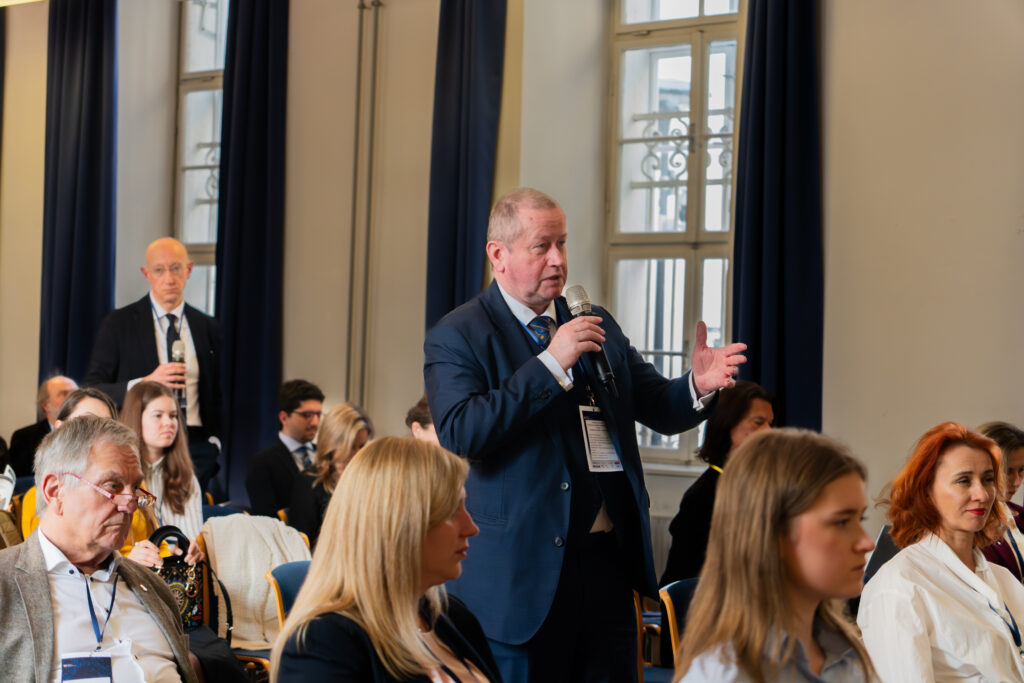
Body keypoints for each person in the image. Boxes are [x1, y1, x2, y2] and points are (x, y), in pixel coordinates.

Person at [423, 188, 747, 681]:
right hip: (521, 578)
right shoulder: (459, 334)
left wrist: (697, 386)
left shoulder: (591, 321)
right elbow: (463, 433)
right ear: (498, 255)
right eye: (542, 246)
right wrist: (551, 363)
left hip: (606, 564)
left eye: (563, 243)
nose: (558, 259)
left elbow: (656, 405)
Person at [272, 436, 500, 682]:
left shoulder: (452, 616)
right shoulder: (323, 644)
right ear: (399, 525)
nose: (472, 528)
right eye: (452, 510)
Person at [0, 415, 200, 681]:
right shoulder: (6, 584)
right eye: (113, 486)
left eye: (135, 488)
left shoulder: (155, 588)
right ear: (55, 491)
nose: (130, 504)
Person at [676, 429, 876, 682]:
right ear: (774, 534)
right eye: (841, 522)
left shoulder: (847, 654)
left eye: (860, 519)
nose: (867, 543)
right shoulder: (729, 676)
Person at [858, 421, 1024, 681]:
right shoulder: (899, 585)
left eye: (988, 479)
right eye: (963, 481)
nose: (982, 494)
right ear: (926, 491)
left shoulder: (1001, 578)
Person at [84, 237, 222, 492]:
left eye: (176, 268)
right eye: (159, 270)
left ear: (189, 269)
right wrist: (144, 383)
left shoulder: (208, 327)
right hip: (139, 444)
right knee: (145, 510)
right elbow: (93, 388)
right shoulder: (119, 324)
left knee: (189, 512)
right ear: (146, 274)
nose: (169, 278)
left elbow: (222, 390)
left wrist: (215, 443)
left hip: (196, 447)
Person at [660, 380, 773, 587]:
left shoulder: (759, 486)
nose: (768, 431)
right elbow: (686, 578)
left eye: (769, 423)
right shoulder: (702, 497)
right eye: (758, 422)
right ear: (728, 424)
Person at [119, 382, 204, 568]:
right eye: (158, 415)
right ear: (136, 418)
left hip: (174, 570)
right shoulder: (119, 475)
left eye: (173, 416)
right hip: (132, 569)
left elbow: (191, 537)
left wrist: (191, 550)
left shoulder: (186, 477)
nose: (169, 423)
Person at [288, 402, 372, 547]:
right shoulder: (308, 482)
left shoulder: (368, 479)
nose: (358, 454)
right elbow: (303, 544)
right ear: (331, 444)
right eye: (351, 447)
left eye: (362, 446)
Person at [246, 379, 325, 517]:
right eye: (307, 415)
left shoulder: (326, 455)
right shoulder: (262, 463)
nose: (315, 422)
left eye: (318, 414)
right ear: (284, 418)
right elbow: (265, 519)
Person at [978, 421, 1024, 581]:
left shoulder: (1020, 515)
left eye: (1021, 470)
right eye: (1007, 471)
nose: (1017, 482)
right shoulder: (965, 526)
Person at [7, 375, 78, 476]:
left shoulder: (92, 433)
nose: (73, 398)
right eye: (64, 393)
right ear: (45, 405)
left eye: (76, 393)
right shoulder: (24, 438)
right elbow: (20, 480)